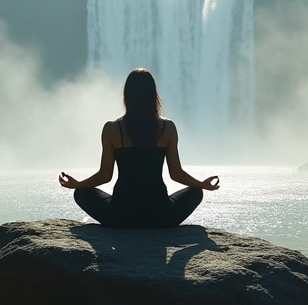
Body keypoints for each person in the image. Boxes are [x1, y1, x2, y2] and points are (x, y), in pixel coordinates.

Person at [58, 68, 220, 228]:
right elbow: (176, 174)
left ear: (127, 96)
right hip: (161, 216)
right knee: (196, 191)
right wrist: (202, 184)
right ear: (153, 96)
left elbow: (105, 176)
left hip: (120, 216)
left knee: (81, 192)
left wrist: (77, 184)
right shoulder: (167, 128)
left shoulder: (112, 129)